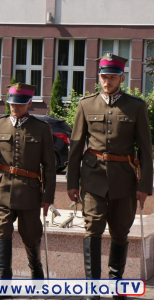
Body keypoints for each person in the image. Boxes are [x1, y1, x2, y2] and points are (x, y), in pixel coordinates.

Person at [67, 54, 152, 300]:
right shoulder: (86, 105)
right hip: (93, 178)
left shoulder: (136, 106)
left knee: (120, 231)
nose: (107, 81)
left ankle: (116, 281)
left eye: (112, 77)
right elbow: (75, 148)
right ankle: (92, 286)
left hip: (124, 180)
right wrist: (72, 183)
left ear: (121, 78)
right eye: (104, 76)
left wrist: (144, 185)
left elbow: (145, 150)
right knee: (92, 228)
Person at [0, 83, 56, 299]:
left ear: (29, 103)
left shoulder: (41, 129)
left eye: (20, 103)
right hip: (2, 189)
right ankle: (4, 284)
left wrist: (48, 196)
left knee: (31, 236)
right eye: (12, 103)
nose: (15, 107)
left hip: (30, 192)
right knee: (2, 233)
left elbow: (50, 166)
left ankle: (36, 270)